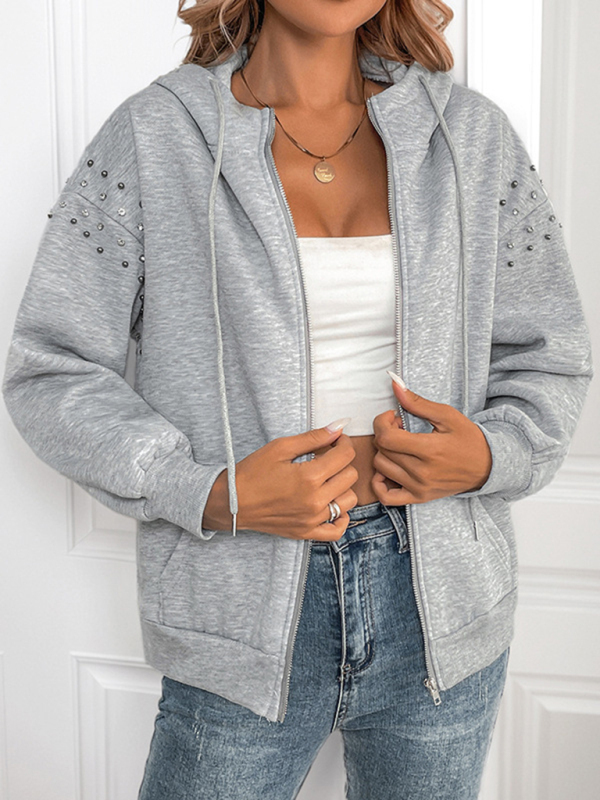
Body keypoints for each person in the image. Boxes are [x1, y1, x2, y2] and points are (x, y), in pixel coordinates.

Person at [2, 0, 593, 797]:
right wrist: (211, 491)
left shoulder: (473, 138)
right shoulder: (155, 136)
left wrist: (490, 454)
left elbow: (551, 354)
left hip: (444, 618)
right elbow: (51, 368)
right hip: (237, 612)